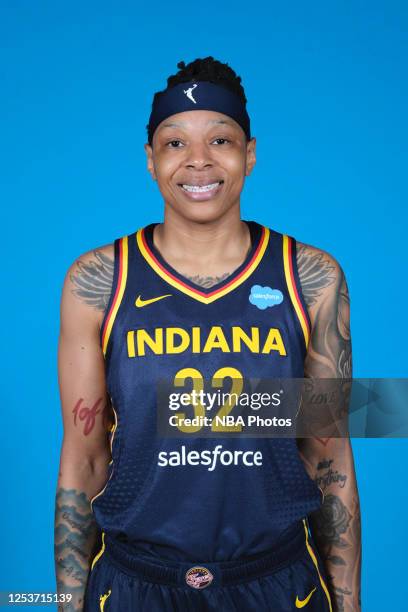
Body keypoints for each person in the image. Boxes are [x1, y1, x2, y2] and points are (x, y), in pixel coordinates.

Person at [54, 56, 361, 611]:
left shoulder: (311, 277)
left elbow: (329, 455)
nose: (198, 161)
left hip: (274, 581)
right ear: (150, 160)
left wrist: (349, 603)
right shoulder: (97, 280)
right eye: (175, 143)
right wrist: (67, 603)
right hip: (137, 585)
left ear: (250, 154)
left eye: (220, 140)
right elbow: (85, 457)